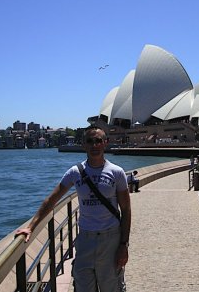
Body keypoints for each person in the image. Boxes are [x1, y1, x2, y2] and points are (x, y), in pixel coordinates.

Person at [15, 125, 131, 292]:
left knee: (112, 287)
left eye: (98, 141)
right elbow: (52, 199)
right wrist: (30, 227)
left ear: (105, 143)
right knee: (83, 287)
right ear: (84, 144)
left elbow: (126, 210)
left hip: (110, 240)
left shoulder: (117, 172)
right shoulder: (75, 172)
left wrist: (123, 245)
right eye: (90, 141)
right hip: (85, 240)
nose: (94, 145)